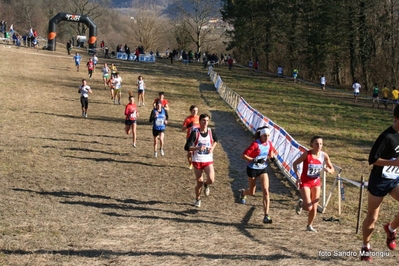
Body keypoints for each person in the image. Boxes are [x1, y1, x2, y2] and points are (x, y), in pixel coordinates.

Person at [360, 105, 399, 261]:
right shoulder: (386, 136)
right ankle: (365, 247)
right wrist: (395, 163)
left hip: (395, 179)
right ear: (396, 118)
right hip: (379, 181)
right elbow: (373, 160)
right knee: (372, 217)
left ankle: (390, 229)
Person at [293, 136, 334, 232]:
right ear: (312, 144)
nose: (319, 146)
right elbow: (295, 164)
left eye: (320, 144)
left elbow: (332, 169)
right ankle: (301, 203)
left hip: (316, 182)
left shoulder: (324, 155)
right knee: (308, 207)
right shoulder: (306, 154)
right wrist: (298, 177)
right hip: (305, 182)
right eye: (316, 143)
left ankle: (309, 225)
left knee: (314, 207)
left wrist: (329, 170)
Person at [239, 126, 276, 224]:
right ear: (261, 135)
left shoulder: (269, 144)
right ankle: (243, 193)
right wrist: (253, 159)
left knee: (266, 191)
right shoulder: (255, 144)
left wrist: (272, 158)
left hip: (263, 169)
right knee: (252, 192)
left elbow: (271, 152)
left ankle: (266, 215)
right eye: (265, 136)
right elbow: (243, 155)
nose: (267, 138)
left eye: (268, 136)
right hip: (252, 169)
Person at [184, 114, 218, 208]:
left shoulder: (211, 131)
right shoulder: (195, 133)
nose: (205, 123)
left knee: (211, 179)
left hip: (208, 159)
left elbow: (216, 140)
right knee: (199, 182)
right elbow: (187, 147)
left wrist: (212, 148)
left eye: (207, 121)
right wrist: (198, 148)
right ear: (199, 121)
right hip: (197, 160)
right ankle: (197, 199)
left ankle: (206, 185)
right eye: (203, 120)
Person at [182, 105, 200, 169]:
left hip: (198, 138)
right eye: (193, 110)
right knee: (190, 152)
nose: (195, 112)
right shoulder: (188, 119)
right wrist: (188, 126)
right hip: (190, 137)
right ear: (191, 111)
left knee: (197, 151)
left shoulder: (199, 118)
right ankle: (190, 164)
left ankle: (197, 163)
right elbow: (182, 129)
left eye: (196, 110)